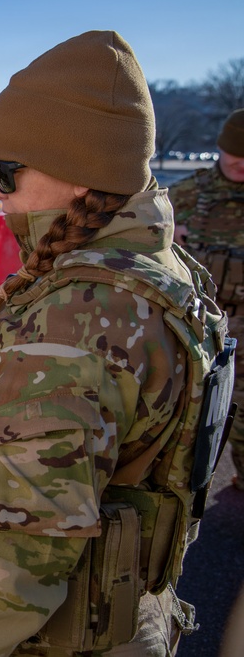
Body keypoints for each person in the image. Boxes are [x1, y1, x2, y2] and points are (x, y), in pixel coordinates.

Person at [0, 31, 232, 656]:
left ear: (77, 174)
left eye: (5, 172)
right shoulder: (159, 268)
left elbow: (7, 562)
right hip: (122, 619)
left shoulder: (79, 321)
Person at [169, 108, 244, 490]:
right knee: (191, 411)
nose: (241, 164)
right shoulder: (185, 195)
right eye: (235, 154)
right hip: (199, 319)